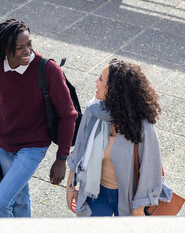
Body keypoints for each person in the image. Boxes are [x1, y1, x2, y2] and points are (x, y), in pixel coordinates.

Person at [0, 19, 78, 218]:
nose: (28, 51)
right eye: (20, 48)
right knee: (19, 197)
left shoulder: (49, 70)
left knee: (0, 202)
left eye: (29, 44)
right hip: (5, 141)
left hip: (34, 144)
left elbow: (68, 115)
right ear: (5, 49)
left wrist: (62, 158)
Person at [66, 59, 173, 216]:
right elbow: (80, 150)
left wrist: (138, 209)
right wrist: (71, 186)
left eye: (101, 79)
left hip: (130, 198)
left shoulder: (143, 126)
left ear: (115, 90)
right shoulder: (93, 111)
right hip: (96, 194)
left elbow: (151, 169)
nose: (96, 81)